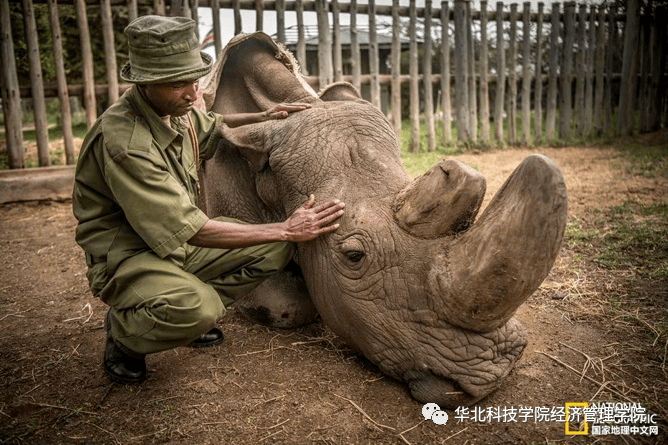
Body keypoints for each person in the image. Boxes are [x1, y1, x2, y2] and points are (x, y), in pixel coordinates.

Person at [72, 15, 345, 384]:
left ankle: (179, 307)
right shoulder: (127, 145)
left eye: (194, 80)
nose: (192, 93)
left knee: (273, 251)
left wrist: (264, 114)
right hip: (128, 254)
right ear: (145, 83)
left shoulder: (172, 110)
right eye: (177, 84)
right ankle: (127, 332)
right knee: (201, 306)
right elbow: (192, 231)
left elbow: (213, 124)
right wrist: (285, 229)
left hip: (171, 243)